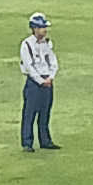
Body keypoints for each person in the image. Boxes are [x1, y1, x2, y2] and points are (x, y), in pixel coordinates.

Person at [19, 12, 60, 153]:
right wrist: (41, 81)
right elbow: (29, 67)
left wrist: (51, 77)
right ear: (34, 28)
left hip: (47, 80)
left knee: (45, 112)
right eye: (42, 27)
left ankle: (45, 140)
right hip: (34, 83)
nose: (44, 30)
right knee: (30, 113)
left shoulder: (47, 43)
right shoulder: (26, 45)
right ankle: (27, 142)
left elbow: (53, 62)